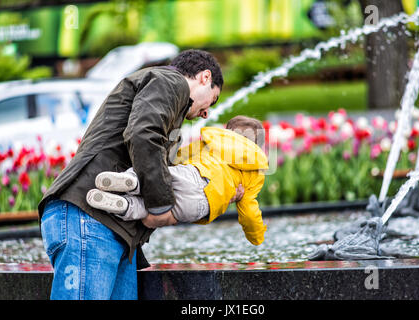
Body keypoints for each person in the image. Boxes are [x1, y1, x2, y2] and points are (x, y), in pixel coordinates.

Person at [38, 49, 234, 300]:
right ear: (205, 77)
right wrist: (161, 207)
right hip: (89, 217)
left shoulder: (163, 94)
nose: (207, 113)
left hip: (108, 227)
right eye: (213, 100)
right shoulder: (170, 82)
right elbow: (143, 135)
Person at [86, 116, 269, 246]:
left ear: (228, 132)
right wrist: (256, 237)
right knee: (151, 210)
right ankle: (126, 205)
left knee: (154, 178)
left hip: (194, 176)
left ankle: (132, 181)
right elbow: (249, 211)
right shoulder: (255, 171)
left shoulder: (214, 142)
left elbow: (180, 155)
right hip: (202, 206)